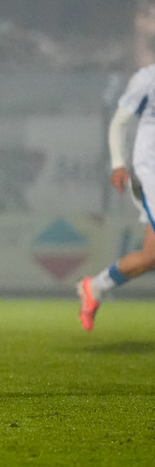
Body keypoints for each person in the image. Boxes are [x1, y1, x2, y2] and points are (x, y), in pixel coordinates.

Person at [77, 63, 155, 331]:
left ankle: (94, 287)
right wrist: (119, 163)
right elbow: (120, 122)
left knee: (150, 256)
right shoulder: (147, 78)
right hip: (151, 173)